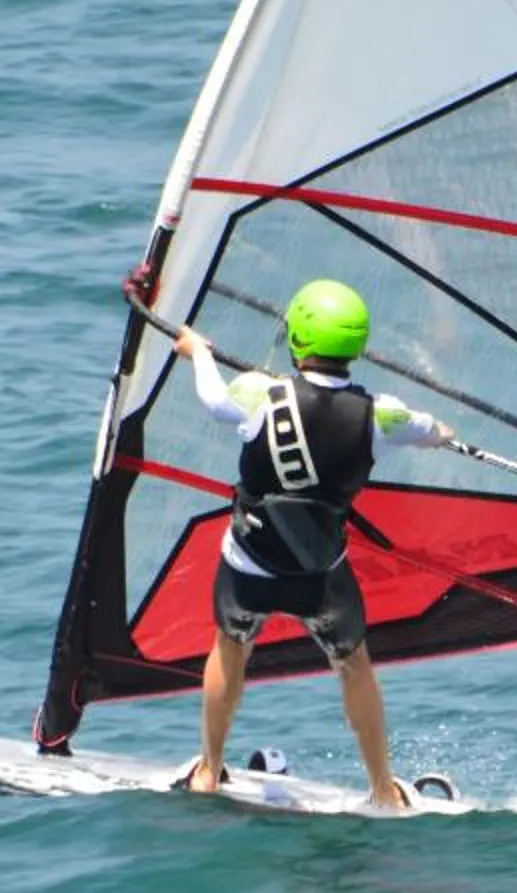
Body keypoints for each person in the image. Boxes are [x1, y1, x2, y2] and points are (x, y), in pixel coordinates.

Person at [170, 278, 454, 809]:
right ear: (358, 346)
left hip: (250, 566)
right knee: (354, 665)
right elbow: (431, 429)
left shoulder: (257, 392)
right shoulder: (382, 414)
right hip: (322, 577)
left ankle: (209, 770)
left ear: (298, 338)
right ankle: (381, 791)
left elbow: (213, 399)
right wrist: (442, 432)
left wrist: (198, 352)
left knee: (230, 649)